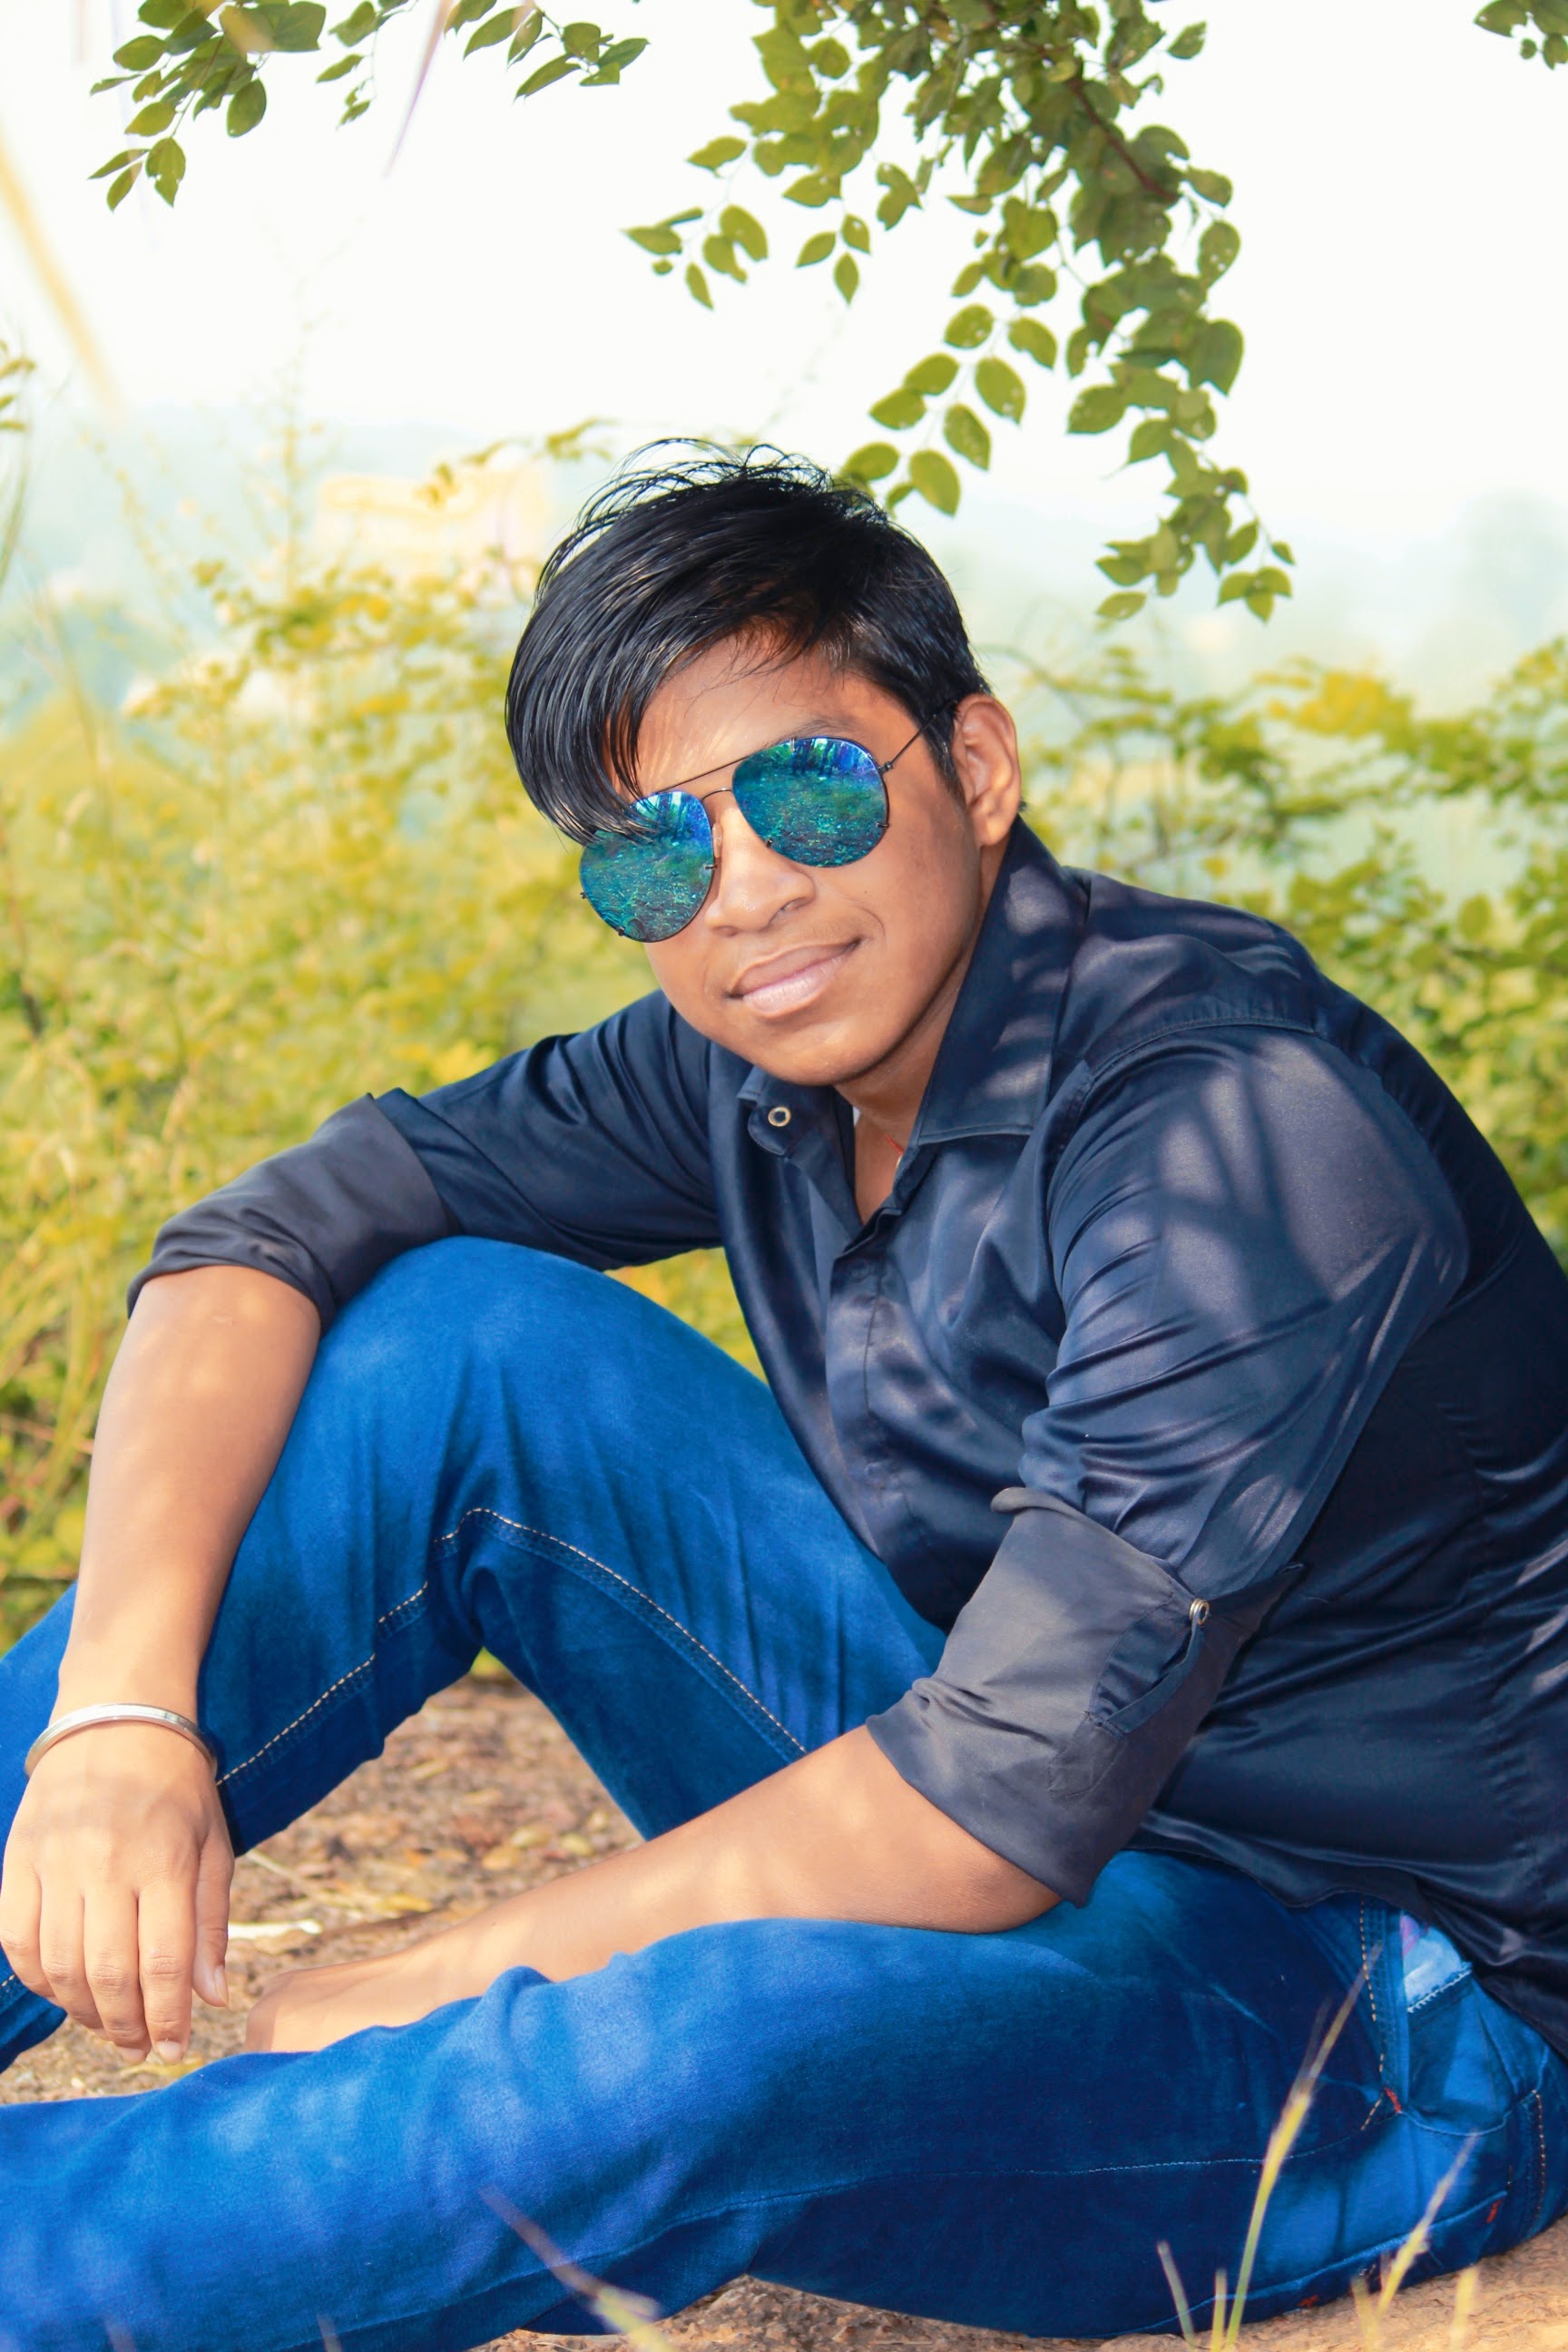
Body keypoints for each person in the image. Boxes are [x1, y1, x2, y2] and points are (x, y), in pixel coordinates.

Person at [1, 449, 1565, 2350]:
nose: (744, 894)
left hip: (1391, 1997)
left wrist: (437, 1972)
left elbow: (991, 1804)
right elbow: (255, 1240)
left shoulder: (1238, 1135)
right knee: (463, 1340)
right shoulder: (752, 1070)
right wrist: (116, 1722)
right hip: (1050, 1796)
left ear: (976, 768)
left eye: (809, 789)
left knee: (679, 2044)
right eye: (654, 852)